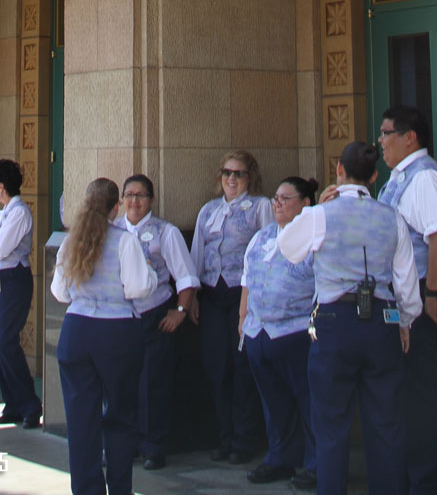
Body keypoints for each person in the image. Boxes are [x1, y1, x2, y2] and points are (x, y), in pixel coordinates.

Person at [278, 141, 421, 495]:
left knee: (330, 424)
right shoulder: (392, 216)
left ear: (338, 171)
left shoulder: (320, 215)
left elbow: (288, 249)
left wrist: (316, 211)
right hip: (383, 320)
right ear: (374, 176)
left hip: (333, 320)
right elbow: (406, 281)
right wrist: (404, 320)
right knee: (386, 423)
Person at [51, 177, 157, 495]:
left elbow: (60, 292)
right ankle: (120, 488)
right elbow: (137, 287)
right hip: (117, 331)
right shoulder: (125, 241)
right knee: (121, 415)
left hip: (76, 331)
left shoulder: (71, 241)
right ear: (116, 207)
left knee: (81, 421)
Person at [377, 106, 437, 495]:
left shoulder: (425, 179)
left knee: (420, 392)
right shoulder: (399, 179)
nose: (381, 141)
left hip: (424, 293)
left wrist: (433, 294)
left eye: (387, 133)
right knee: (406, 392)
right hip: (405, 297)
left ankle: (426, 484)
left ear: (411, 137)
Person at [189, 148, 273, 463]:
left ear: (250, 177)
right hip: (212, 295)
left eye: (238, 173)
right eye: (227, 173)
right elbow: (197, 252)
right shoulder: (208, 211)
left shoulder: (260, 207)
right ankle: (223, 437)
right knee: (216, 367)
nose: (232, 179)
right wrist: (193, 294)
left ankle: (244, 440)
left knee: (242, 368)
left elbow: (268, 246)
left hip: (244, 295)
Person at [239, 176, 318, 488]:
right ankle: (281, 457)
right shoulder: (262, 236)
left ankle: (315, 463)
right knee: (274, 402)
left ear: (305, 204)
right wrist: (243, 320)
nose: (278, 204)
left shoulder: (313, 237)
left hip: (296, 330)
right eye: (275, 198)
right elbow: (247, 278)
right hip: (259, 331)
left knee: (308, 400)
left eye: (286, 199)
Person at [120, 173, 199, 471]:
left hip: (155, 316)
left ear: (151, 200)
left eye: (141, 195)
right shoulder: (113, 230)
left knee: (153, 384)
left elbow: (187, 276)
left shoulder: (166, 232)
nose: (134, 201)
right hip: (121, 320)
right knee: (120, 385)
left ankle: (154, 446)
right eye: (129, 195)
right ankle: (124, 445)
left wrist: (180, 310)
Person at [0, 159, 42, 428]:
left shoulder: (19, 213)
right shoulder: (2, 214)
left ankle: (29, 405)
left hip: (13, 279)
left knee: (5, 342)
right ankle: (12, 404)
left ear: (1, 187)